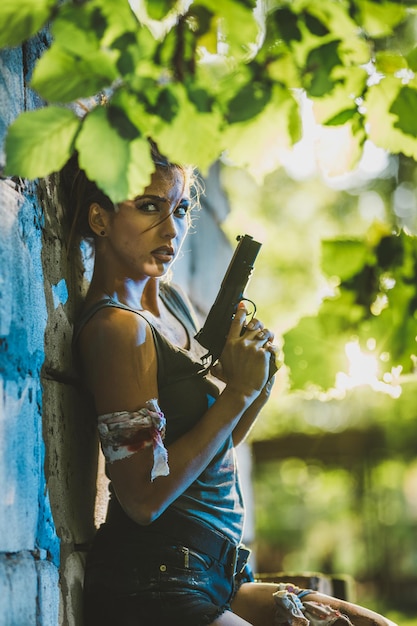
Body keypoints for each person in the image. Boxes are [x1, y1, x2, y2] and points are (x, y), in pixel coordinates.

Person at [63, 142, 398, 626]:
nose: (172, 228)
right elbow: (141, 497)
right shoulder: (117, 329)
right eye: (149, 207)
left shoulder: (172, 305)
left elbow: (211, 452)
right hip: (154, 581)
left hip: (215, 573)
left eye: (179, 209)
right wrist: (236, 393)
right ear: (99, 219)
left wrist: (256, 385)